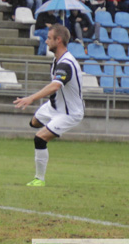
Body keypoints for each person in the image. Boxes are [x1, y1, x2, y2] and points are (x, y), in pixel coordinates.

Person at [14, 25, 83, 187]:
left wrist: (31, 98)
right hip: (53, 107)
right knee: (34, 123)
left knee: (40, 138)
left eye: (49, 38)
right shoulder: (57, 60)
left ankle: (39, 179)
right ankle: (53, 128)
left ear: (58, 40)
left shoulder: (66, 63)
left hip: (69, 113)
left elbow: (55, 86)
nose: (45, 41)